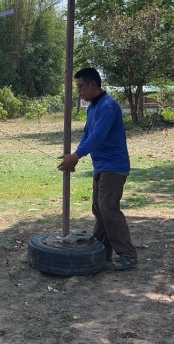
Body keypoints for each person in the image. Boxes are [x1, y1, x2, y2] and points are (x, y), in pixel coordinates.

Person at [57, 68, 138, 271]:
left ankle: (128, 254)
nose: (79, 92)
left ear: (93, 84)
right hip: (100, 166)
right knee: (100, 209)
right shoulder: (93, 107)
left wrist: (76, 156)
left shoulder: (108, 106)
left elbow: (98, 137)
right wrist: (75, 155)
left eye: (81, 87)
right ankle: (102, 251)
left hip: (114, 166)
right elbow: (87, 134)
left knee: (108, 208)